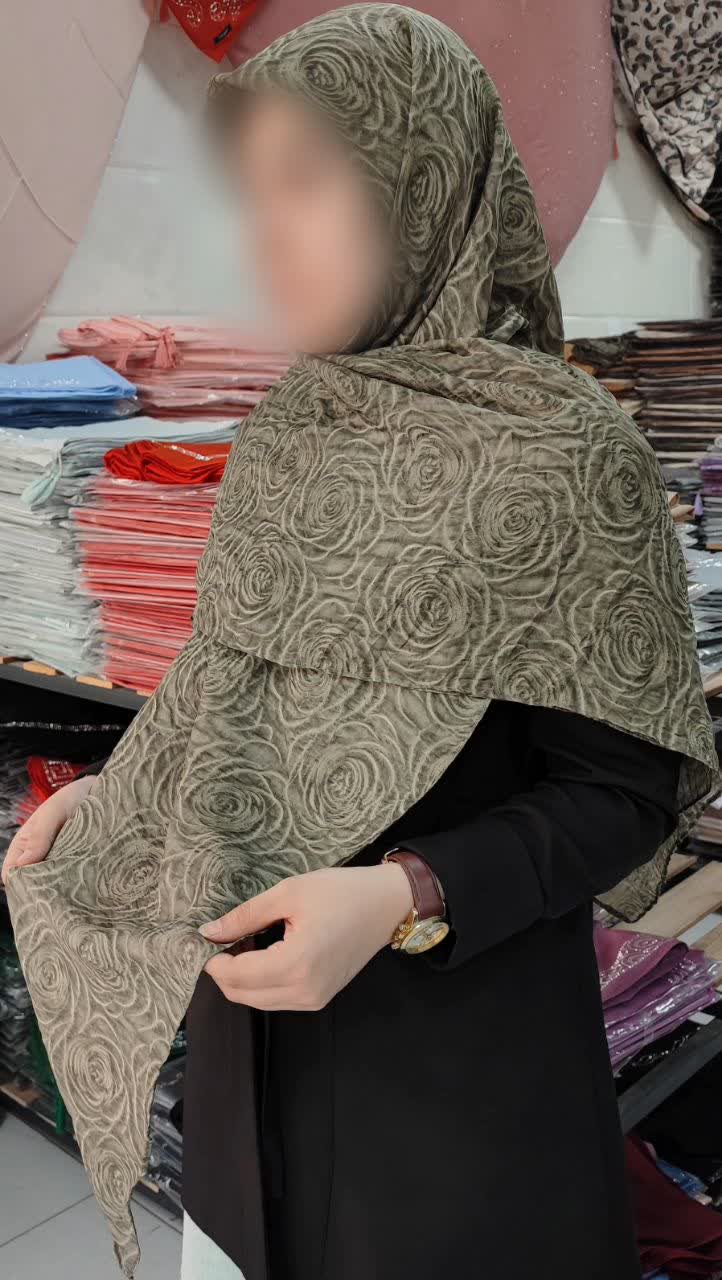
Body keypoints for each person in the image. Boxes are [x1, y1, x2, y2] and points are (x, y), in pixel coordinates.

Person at [4, 7, 716, 1280]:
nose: (264, 233)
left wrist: (404, 893)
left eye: (308, 183)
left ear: (421, 180)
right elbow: (237, 705)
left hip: (452, 1085)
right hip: (248, 1056)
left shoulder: (566, 457)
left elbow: (625, 792)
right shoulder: (291, 430)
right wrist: (126, 798)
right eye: (252, 191)